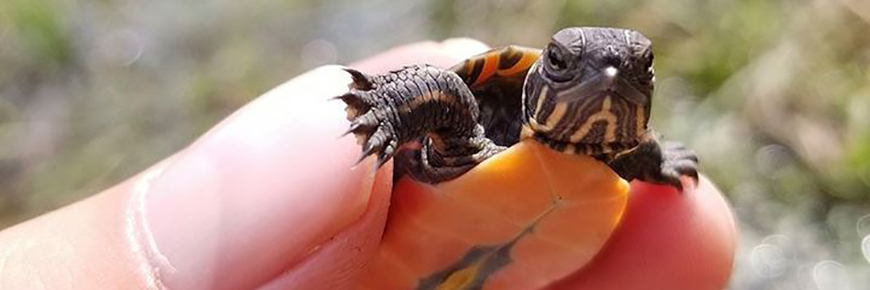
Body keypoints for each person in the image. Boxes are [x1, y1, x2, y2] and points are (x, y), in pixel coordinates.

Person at [0, 39, 736, 290]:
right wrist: (392, 109)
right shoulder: (473, 132)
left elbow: (630, 146)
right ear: (542, 78)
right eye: (571, 66)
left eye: (632, 72)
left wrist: (649, 158)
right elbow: (447, 95)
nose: (605, 79)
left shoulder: (624, 157)